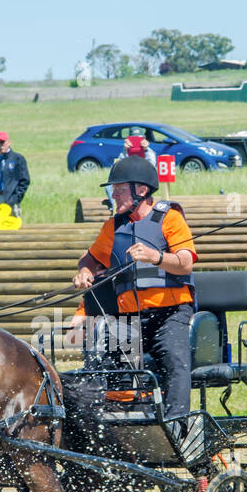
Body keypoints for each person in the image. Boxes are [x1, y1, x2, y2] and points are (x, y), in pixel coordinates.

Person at [72, 156, 197, 425]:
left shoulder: (170, 219)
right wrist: (84, 271)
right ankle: (123, 426)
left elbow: (185, 262)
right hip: (129, 319)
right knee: (114, 367)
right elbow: (90, 258)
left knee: (174, 360)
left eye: (118, 187)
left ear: (141, 190)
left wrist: (156, 257)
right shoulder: (113, 227)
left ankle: (177, 425)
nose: (113, 194)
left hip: (171, 314)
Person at [0, 131, 30, 223]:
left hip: (10, 199)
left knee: (12, 226)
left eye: (2, 142)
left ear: (9, 142)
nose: (0, 145)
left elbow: (25, 180)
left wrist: (15, 198)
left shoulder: (18, 158)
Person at [105, 134, 157, 206]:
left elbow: (152, 164)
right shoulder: (125, 152)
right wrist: (125, 151)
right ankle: (117, 206)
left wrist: (146, 149)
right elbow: (119, 167)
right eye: (133, 138)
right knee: (109, 187)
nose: (136, 142)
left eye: (139, 139)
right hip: (126, 180)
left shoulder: (148, 153)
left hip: (141, 184)